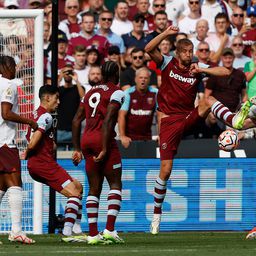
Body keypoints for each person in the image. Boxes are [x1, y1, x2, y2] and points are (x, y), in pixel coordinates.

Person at [144, 26, 252, 235]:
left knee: (208, 100)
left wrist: (203, 70)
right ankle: (157, 215)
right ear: (178, 53)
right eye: (185, 51)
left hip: (188, 117)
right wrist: (166, 33)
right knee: (165, 171)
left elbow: (225, 71)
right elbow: (149, 48)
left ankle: (234, 120)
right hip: (168, 122)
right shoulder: (167, 62)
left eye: (190, 51)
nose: (188, 54)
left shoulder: (196, 66)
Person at [72, 61, 125, 245]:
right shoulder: (117, 92)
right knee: (115, 184)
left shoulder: (90, 91)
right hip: (104, 140)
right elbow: (109, 120)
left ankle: (93, 234)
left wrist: (77, 148)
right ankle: (109, 230)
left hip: (86, 140)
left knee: (94, 188)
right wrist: (104, 147)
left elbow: (76, 120)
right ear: (115, 74)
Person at [24, 85, 85, 242]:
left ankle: (76, 228)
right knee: (74, 193)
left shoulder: (35, 114)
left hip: (40, 163)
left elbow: (43, 138)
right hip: (42, 163)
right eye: (56, 98)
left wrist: (50, 145)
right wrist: (27, 151)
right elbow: (33, 141)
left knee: (78, 186)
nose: (58, 102)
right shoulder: (46, 117)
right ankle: (67, 232)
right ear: (47, 98)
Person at [0, 56, 37, 244]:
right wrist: (29, 120)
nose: (15, 69)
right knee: (15, 184)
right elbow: (5, 113)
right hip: (5, 141)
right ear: (6, 67)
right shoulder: (9, 85)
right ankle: (16, 230)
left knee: (1, 185)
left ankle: (16, 230)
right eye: (14, 66)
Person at [118, 67, 159, 148]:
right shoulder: (128, 93)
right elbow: (121, 115)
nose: (143, 80)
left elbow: (160, 115)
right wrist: (122, 136)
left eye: (145, 78)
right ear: (135, 79)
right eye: (140, 77)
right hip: (129, 138)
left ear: (149, 80)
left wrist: (161, 135)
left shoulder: (156, 93)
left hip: (147, 137)